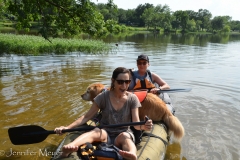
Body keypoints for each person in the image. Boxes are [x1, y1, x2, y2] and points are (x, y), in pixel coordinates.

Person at [54, 67, 153, 160]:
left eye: (127, 82)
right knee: (96, 131)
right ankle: (70, 147)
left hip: (123, 133)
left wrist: (144, 127)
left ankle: (132, 154)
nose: (124, 86)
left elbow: (136, 124)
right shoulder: (103, 97)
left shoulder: (132, 99)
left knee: (125, 136)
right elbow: (86, 117)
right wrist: (67, 128)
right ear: (113, 81)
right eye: (120, 82)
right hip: (105, 133)